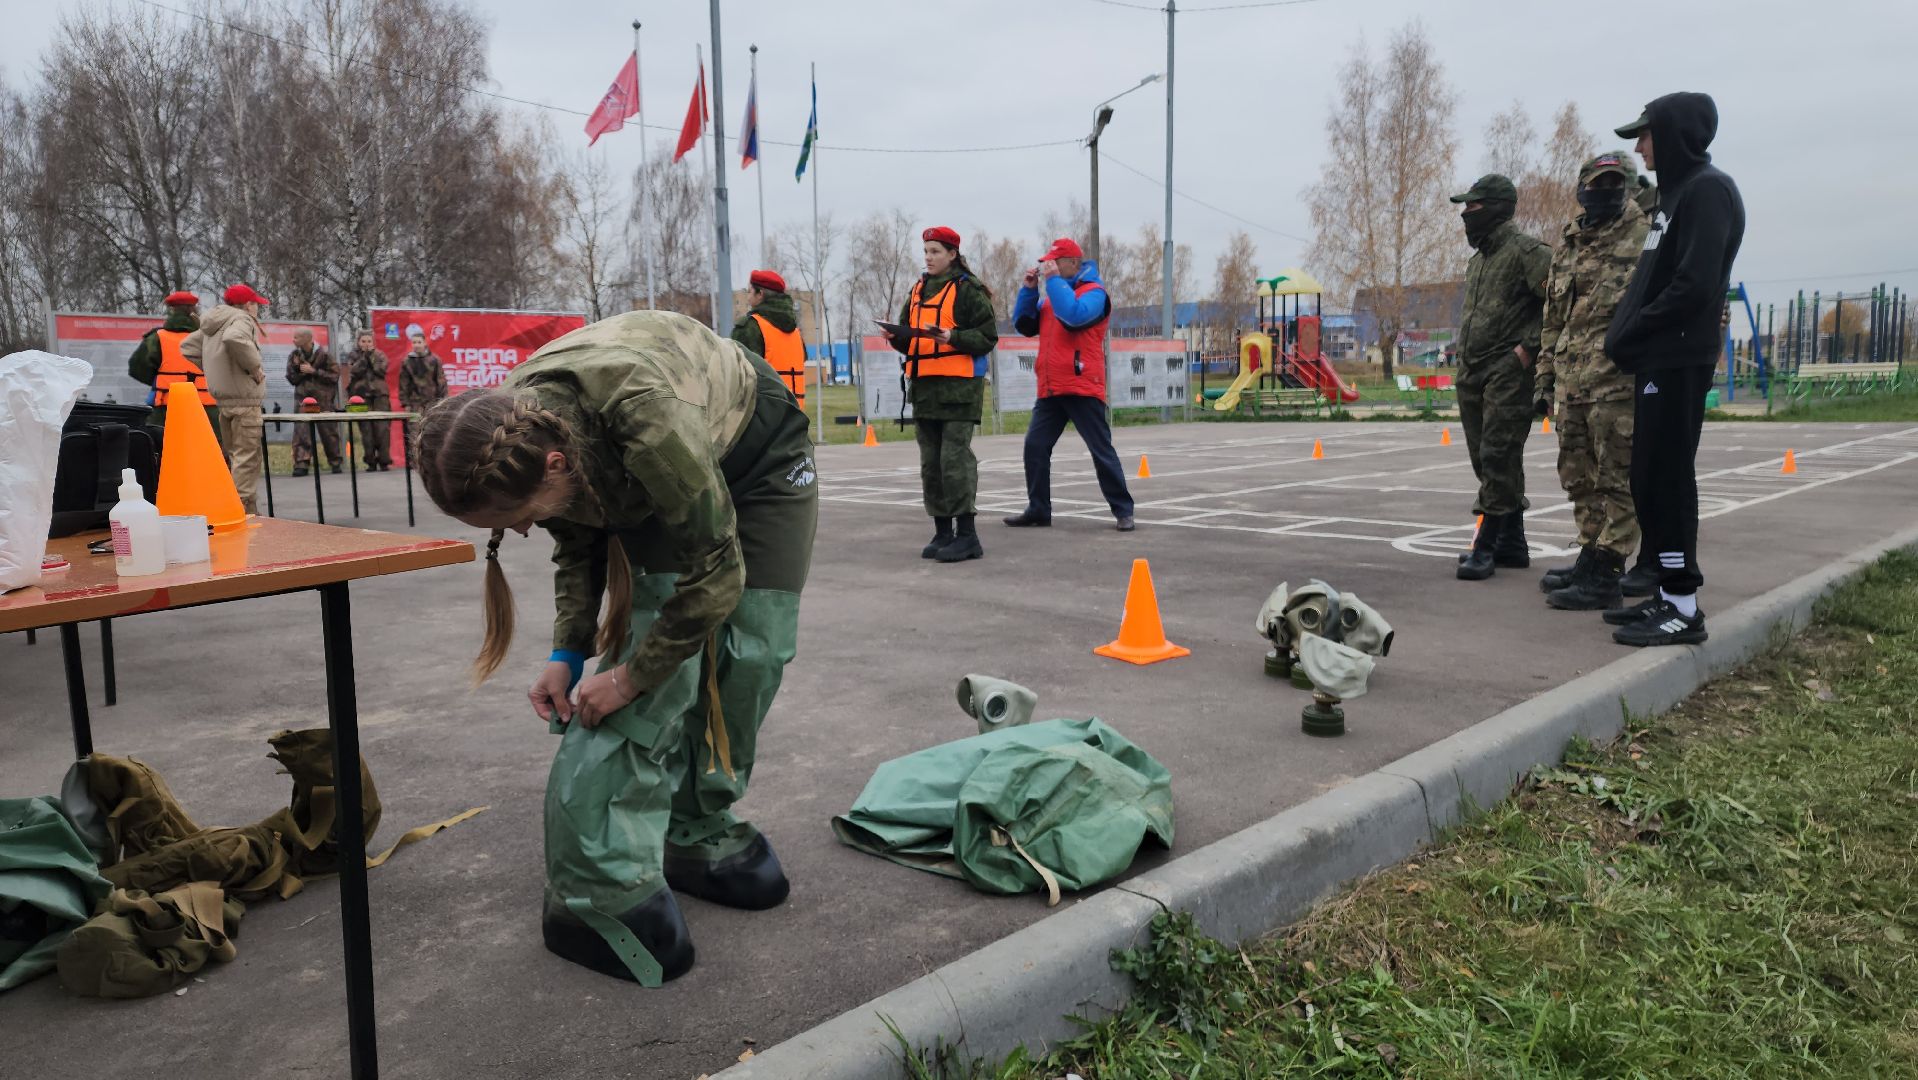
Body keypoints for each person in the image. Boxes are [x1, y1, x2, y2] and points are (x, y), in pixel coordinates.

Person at [412, 309, 817, 986]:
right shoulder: (509, 430)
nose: (522, 532)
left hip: (755, 446)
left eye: (523, 520)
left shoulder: (645, 423)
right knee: (655, 664)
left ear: (555, 462)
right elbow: (575, 530)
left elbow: (716, 573)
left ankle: (695, 826)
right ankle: (596, 887)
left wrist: (627, 678)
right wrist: (569, 654)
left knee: (755, 647)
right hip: (630, 464)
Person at [1602, 92, 1745, 647]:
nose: (1639, 146)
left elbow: (1695, 285)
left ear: (1675, 133)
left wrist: (1635, 330)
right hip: (1657, 357)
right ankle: (1664, 591)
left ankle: (1684, 605)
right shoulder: (1672, 195)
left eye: (1646, 134)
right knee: (1646, 475)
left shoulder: (1708, 192)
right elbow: (1652, 281)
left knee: (1668, 476)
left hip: (1680, 357)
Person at [1534, 152, 1651, 611]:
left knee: (1616, 477)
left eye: (1613, 184)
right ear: (1581, 188)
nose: (1604, 193)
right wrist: (1544, 379)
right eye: (1596, 184)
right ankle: (1590, 550)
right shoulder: (1569, 243)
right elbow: (1553, 319)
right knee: (1577, 474)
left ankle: (1609, 566)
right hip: (1572, 382)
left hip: (1618, 383)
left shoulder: (1644, 237)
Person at [1449, 175, 1551, 581]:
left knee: (1497, 453)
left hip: (1507, 373)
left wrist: (1526, 350)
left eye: (1473, 208)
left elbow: (1560, 303)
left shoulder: (1528, 252)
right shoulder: (1479, 261)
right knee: (1489, 457)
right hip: (1473, 372)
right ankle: (1513, 543)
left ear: (1496, 208)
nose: (1465, 215)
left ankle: (1487, 543)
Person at [1003, 236, 1134, 532]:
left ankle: (1123, 510)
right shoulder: (1052, 294)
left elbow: (1073, 317)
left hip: (1082, 384)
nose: (1049, 266)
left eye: (1056, 262)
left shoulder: (1095, 294)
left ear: (1074, 262)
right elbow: (1025, 325)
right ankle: (1038, 510)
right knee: (1035, 446)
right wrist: (1028, 290)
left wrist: (1052, 282)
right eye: (1047, 262)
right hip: (1051, 388)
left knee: (1100, 450)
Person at [887, 227, 998, 561]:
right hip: (925, 391)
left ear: (952, 254)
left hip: (959, 391)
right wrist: (895, 337)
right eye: (926, 251)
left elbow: (988, 336)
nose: (929, 257)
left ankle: (968, 536)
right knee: (930, 464)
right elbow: (909, 336)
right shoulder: (918, 289)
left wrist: (953, 337)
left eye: (935, 251)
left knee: (954, 461)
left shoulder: (968, 290)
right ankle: (942, 532)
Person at [184, 284, 271, 514]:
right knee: (247, 459)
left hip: (225, 404)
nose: (257, 310)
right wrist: (253, 368)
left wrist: (215, 368)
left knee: (237, 457)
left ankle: (250, 511)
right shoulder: (240, 320)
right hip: (245, 403)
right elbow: (235, 339)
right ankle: (239, 510)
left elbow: (188, 347)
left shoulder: (216, 323)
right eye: (256, 305)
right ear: (248, 304)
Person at [127, 291, 217, 445]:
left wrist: (161, 380)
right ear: (194, 310)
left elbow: (137, 368)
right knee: (208, 452)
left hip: (167, 406)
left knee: (166, 450)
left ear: (172, 310)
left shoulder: (157, 338)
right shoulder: (209, 338)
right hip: (207, 407)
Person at [731, 269, 808, 410]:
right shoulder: (796, 333)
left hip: (764, 420)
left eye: (749, 291)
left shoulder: (750, 327)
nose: (747, 296)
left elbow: (737, 375)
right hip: (796, 417)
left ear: (760, 294)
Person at [286, 328, 342, 477]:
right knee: (301, 431)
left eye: (296, 337)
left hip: (323, 400)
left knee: (328, 431)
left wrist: (314, 371)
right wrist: (301, 372)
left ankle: (335, 462)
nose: (294, 340)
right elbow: (291, 378)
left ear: (307, 339)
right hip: (303, 401)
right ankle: (301, 463)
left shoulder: (324, 355)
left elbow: (335, 376)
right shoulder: (294, 356)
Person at [342, 330, 394, 471]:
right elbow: (355, 371)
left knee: (382, 429)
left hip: (379, 396)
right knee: (366, 430)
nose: (366, 344)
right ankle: (370, 461)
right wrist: (365, 357)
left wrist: (371, 356)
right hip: (359, 397)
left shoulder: (380, 355)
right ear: (358, 342)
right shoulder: (353, 355)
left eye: (369, 341)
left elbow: (381, 370)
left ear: (373, 343)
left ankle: (384, 460)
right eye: (363, 341)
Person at [398, 326, 449, 415]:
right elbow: (403, 384)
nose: (416, 345)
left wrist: (443, 401)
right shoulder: (407, 361)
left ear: (424, 343)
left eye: (419, 342)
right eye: (414, 342)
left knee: (431, 426)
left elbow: (441, 381)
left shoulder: (434, 360)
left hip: (432, 401)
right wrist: (405, 404)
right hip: (414, 402)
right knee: (414, 427)